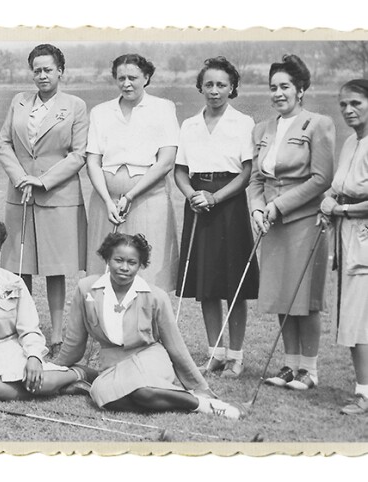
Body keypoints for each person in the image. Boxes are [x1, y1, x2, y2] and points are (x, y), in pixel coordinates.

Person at [53, 233, 243, 419]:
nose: (124, 268)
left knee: (141, 392)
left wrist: (201, 388)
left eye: (132, 263)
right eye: (118, 260)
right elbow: (74, 341)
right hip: (113, 365)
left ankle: (204, 405)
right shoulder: (86, 289)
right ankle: (179, 401)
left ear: (141, 265)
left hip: (149, 357)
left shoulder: (155, 296)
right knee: (104, 398)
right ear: (107, 260)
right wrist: (54, 368)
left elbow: (176, 348)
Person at [0, 44, 90, 357]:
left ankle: (58, 335)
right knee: (18, 266)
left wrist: (43, 180)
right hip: (20, 194)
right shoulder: (19, 101)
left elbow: (79, 154)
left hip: (57, 196)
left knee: (55, 268)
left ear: (60, 70)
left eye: (48, 69)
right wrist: (21, 177)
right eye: (36, 70)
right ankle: (20, 328)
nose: (42, 75)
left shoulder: (75, 105)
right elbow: (4, 144)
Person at [248, 54, 334, 391]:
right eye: (273, 87)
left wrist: (279, 205)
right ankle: (289, 364)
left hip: (304, 221)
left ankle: (309, 370)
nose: (278, 93)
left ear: (301, 89)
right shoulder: (262, 128)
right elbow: (255, 180)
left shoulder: (318, 123)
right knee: (282, 295)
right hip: (270, 223)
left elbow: (321, 178)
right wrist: (257, 210)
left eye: (285, 86)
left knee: (304, 297)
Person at [0, 218, 97, 401]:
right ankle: (61, 388)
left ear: (0, 252)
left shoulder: (13, 282)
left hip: (14, 348)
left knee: (39, 380)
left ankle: (77, 374)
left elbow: (29, 328)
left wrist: (33, 357)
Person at [173, 57, 259, 378]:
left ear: (232, 87)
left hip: (229, 204)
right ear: (200, 87)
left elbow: (247, 172)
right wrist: (192, 194)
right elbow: (180, 171)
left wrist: (215, 197)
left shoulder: (243, 122)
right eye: (208, 84)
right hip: (197, 204)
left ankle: (235, 356)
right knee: (207, 284)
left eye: (221, 84)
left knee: (232, 283)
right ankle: (215, 354)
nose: (214, 90)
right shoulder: (190, 124)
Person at [85, 53, 180, 291]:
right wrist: (108, 201)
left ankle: (146, 325)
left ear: (146, 77)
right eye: (121, 78)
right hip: (105, 205)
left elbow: (165, 161)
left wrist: (130, 195)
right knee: (105, 270)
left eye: (133, 77)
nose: (126, 83)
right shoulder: (100, 112)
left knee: (148, 272)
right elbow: (93, 161)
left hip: (148, 201)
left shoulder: (163, 108)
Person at [319, 79, 368, 414]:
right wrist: (328, 202)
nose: (348, 111)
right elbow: (339, 186)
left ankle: (364, 394)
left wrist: (340, 210)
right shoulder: (351, 141)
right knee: (351, 315)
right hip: (346, 233)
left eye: (356, 104)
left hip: (362, 234)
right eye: (343, 105)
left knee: (359, 316)